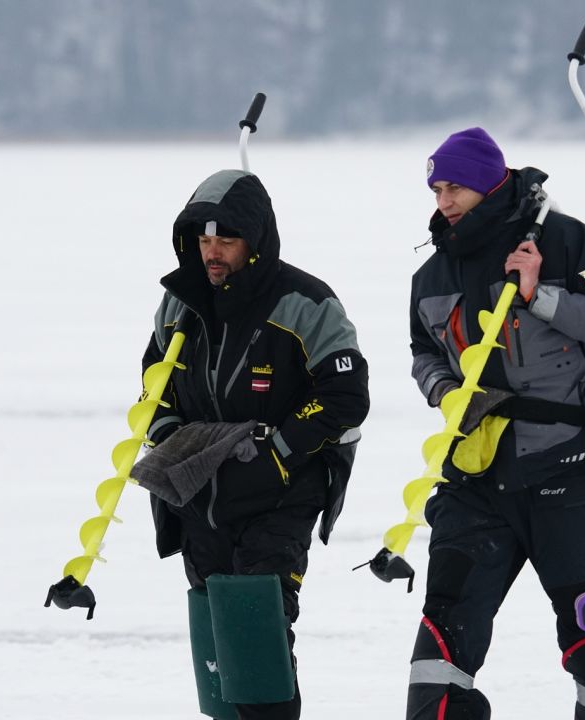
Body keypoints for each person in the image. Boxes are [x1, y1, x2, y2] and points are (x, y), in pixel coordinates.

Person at [405, 128, 585, 719]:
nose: (444, 200)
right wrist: (445, 392)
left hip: (563, 473)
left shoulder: (564, 242)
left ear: (490, 183)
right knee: (437, 662)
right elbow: (423, 354)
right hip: (475, 481)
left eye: (456, 186)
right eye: (437, 187)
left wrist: (540, 295)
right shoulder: (432, 275)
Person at [140, 168, 369, 719]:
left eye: (226, 239)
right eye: (203, 238)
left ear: (256, 242)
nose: (212, 251)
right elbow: (154, 384)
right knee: (219, 657)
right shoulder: (179, 304)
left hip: (279, 495)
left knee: (257, 638)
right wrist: (170, 438)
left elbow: (344, 394)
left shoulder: (306, 303)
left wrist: (278, 454)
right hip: (199, 494)